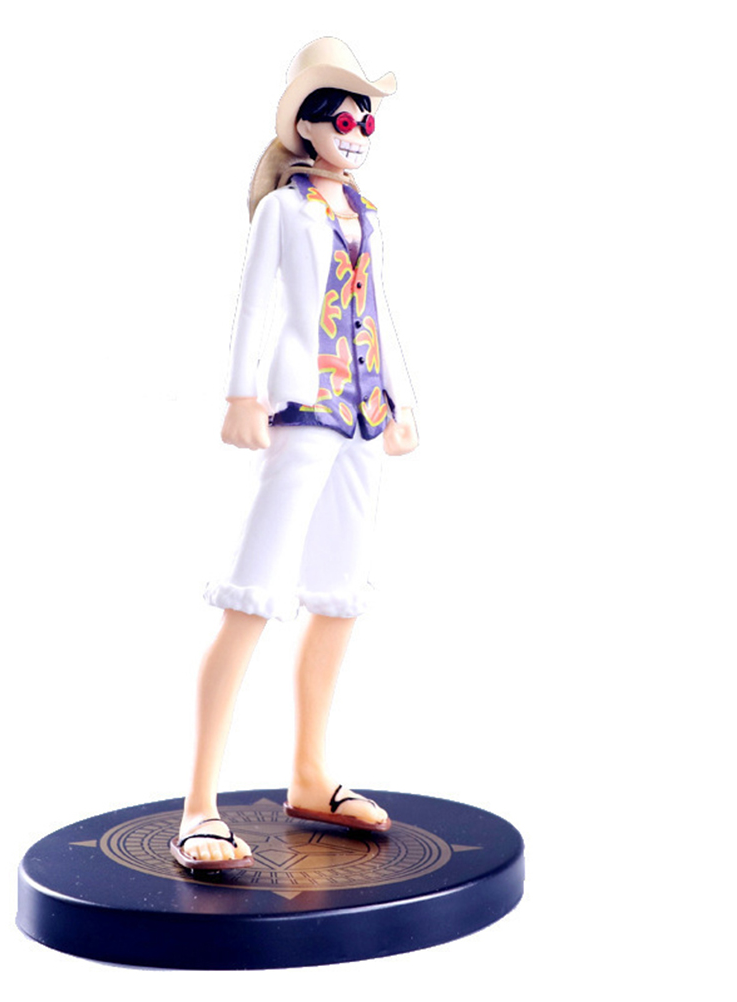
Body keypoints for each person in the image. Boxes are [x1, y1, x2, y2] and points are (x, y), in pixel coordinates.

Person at [171, 38, 418, 870]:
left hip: (363, 413)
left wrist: (403, 403)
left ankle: (312, 773)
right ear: (306, 127)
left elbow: (381, 310)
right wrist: (240, 395)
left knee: (339, 596)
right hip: (303, 407)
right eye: (343, 118)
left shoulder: (368, 214)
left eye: (366, 120)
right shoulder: (285, 209)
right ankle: (199, 806)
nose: (357, 133)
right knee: (252, 593)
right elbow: (254, 307)